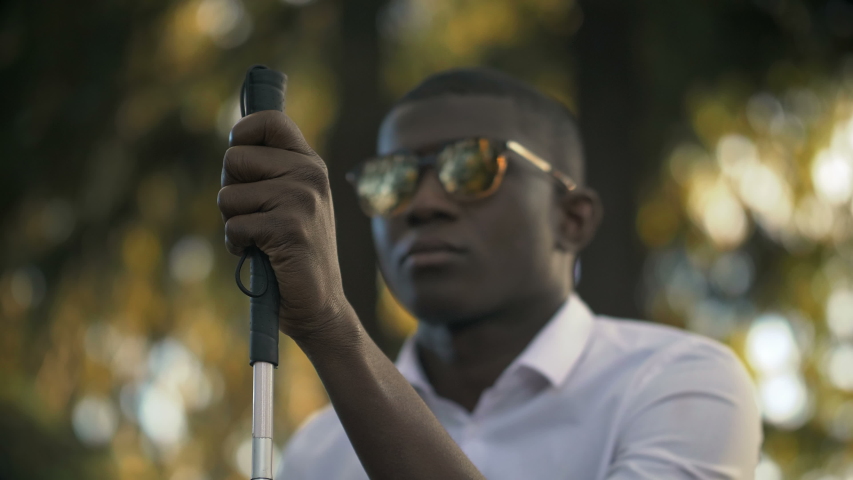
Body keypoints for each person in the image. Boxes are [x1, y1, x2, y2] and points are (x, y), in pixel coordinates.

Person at [217, 68, 762, 480]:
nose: (423, 204)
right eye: (393, 178)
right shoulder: (318, 453)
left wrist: (333, 330)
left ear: (571, 219)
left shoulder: (676, 384)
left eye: (473, 166)